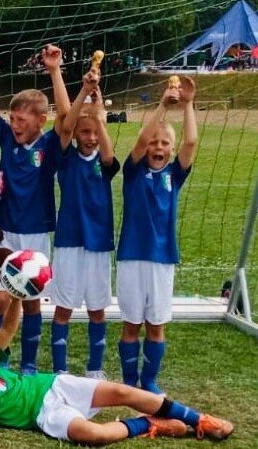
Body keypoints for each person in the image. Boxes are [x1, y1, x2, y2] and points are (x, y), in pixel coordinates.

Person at [0, 295, 234, 443]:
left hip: (52, 386)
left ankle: (200, 420)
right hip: (42, 414)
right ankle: (149, 423)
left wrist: (16, 298)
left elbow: (7, 329)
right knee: (94, 435)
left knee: (123, 391)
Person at [0, 40, 69, 375]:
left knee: (32, 299)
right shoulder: (7, 138)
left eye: (22, 119)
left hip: (36, 231)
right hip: (4, 227)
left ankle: (28, 363)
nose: (15, 125)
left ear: (41, 120)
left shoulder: (51, 144)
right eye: (12, 118)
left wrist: (55, 71)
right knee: (0, 298)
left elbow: (66, 117)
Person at [116, 76, 197, 395]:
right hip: (131, 257)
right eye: (154, 143)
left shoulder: (175, 175)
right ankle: (128, 381)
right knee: (131, 324)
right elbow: (141, 138)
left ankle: (149, 381)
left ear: (171, 150)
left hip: (163, 259)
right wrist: (163, 104)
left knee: (156, 324)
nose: (158, 147)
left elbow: (190, 144)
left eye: (164, 144)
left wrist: (188, 104)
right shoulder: (133, 172)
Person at [51, 70, 119, 378]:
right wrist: (84, 91)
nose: (91, 137)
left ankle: (95, 368)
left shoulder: (105, 163)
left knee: (97, 309)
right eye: (86, 132)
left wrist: (99, 109)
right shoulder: (66, 158)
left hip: (98, 243)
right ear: (77, 134)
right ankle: (60, 369)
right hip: (69, 241)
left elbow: (107, 152)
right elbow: (66, 125)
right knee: (63, 308)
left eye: (95, 132)